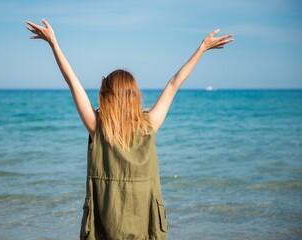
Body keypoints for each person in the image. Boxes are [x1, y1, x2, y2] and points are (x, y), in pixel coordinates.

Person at [26, 19, 233, 239]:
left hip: (105, 231)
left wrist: (54, 44)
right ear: (134, 96)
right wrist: (201, 49)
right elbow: (174, 84)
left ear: (106, 96)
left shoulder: (97, 128)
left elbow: (73, 82)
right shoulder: (149, 126)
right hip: (145, 230)